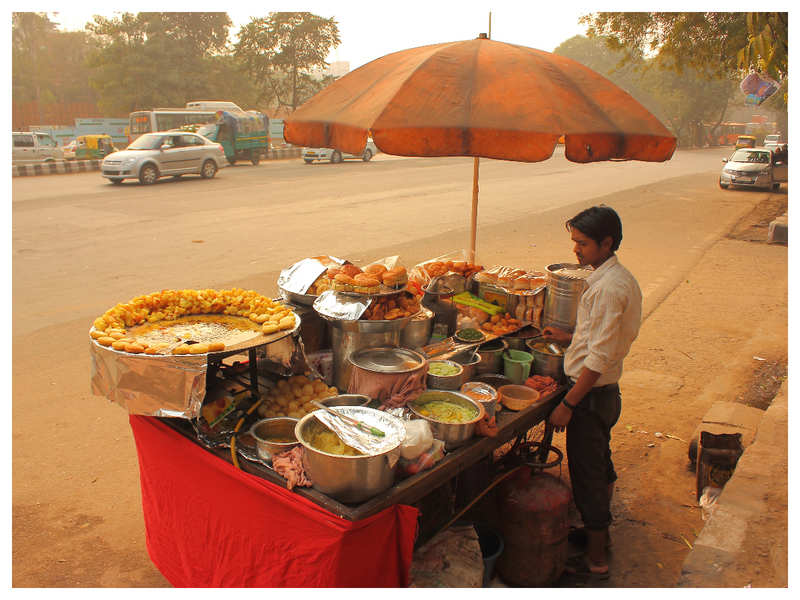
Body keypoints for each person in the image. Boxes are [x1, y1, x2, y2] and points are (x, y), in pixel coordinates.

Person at [542, 205, 642, 579]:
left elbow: (598, 357)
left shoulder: (609, 289)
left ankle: (596, 559)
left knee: (587, 476)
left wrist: (568, 403)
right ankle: (599, 533)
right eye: (574, 243)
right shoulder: (612, 278)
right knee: (601, 463)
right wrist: (570, 337)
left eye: (582, 244)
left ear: (606, 243)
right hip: (604, 395)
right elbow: (603, 337)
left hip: (591, 395)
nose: (575, 251)